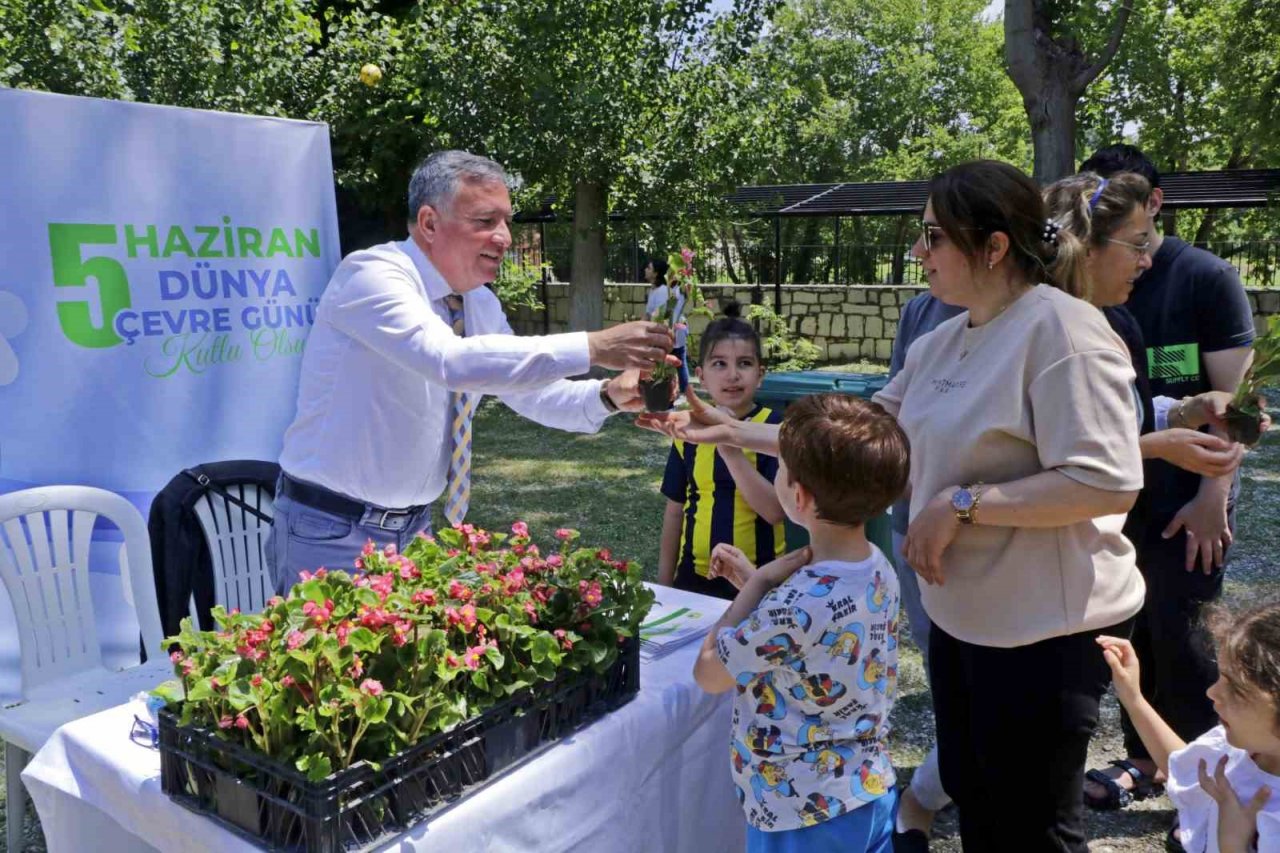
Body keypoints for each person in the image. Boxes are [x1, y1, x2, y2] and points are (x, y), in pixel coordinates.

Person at [644, 160, 1148, 850]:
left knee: (1032, 827)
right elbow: (858, 438)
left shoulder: (1065, 333)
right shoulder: (943, 339)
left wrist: (961, 504)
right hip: (964, 619)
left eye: (933, 235)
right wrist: (730, 431)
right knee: (976, 795)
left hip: (1043, 634)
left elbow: (1107, 481)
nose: (918, 251)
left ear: (993, 247)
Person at [268, 150, 674, 593]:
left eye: (507, 222)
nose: (504, 237)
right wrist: (594, 346)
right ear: (429, 223)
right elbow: (450, 362)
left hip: (414, 530)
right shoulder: (372, 275)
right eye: (485, 220)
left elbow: (529, 391)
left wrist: (608, 395)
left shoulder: (478, 302)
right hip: (331, 531)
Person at [1078, 144, 1256, 808]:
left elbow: (1235, 406)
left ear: (1154, 203)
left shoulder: (1207, 278)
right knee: (1130, 630)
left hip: (1187, 502)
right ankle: (1145, 759)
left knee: (1186, 640)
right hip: (1115, 494)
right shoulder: (1089, 289)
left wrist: (1214, 495)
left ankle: (1211, 787)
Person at [692, 393, 909, 852]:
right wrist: (761, 586)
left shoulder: (790, 605)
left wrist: (757, 585)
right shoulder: (876, 566)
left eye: (781, 467)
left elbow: (709, 672)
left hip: (801, 811)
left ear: (800, 495)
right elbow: (819, 636)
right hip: (866, 790)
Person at [1095, 600, 1280, 852]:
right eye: (1221, 677)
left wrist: (1232, 844)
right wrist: (1133, 698)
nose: (1212, 692)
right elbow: (1187, 770)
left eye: (1236, 689)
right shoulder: (1246, 749)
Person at [658, 302, 785, 600]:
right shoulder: (688, 433)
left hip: (757, 580)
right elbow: (675, 511)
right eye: (719, 364)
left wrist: (731, 448)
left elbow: (775, 512)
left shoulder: (774, 430)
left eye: (744, 363)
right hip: (694, 579)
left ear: (760, 374)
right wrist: (664, 585)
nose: (732, 375)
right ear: (701, 375)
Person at [644, 256, 690, 391]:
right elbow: (648, 314)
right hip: (670, 331)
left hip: (670, 331)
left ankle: (681, 391)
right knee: (677, 362)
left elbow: (662, 315)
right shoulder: (655, 290)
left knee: (677, 361)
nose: (645, 270)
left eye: (649, 268)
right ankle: (681, 391)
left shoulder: (663, 291)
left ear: (656, 273)